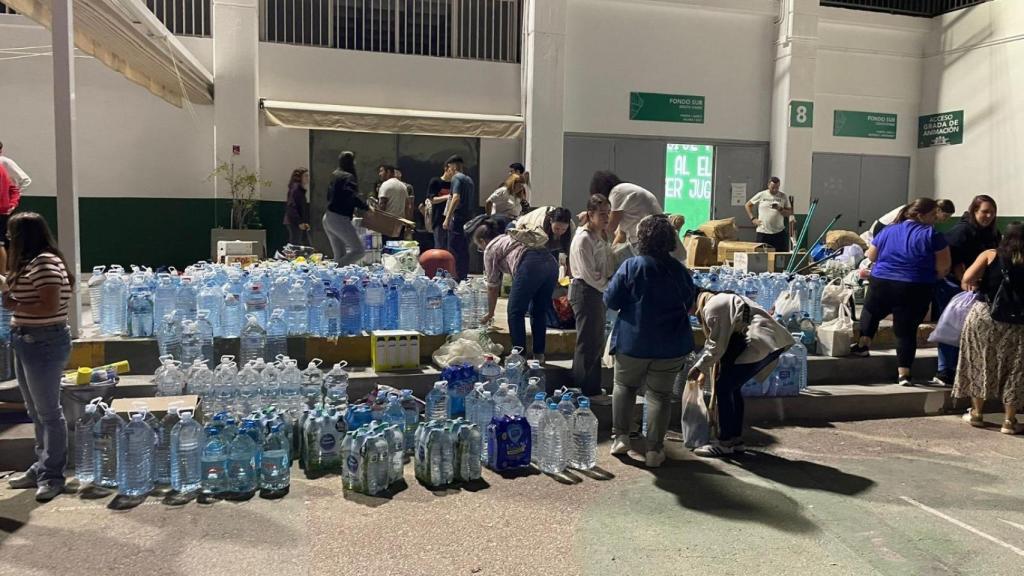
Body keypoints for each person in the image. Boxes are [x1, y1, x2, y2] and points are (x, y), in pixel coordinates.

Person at [605, 215, 696, 468]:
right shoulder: (680, 270)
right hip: (671, 344)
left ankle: (621, 437)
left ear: (642, 239)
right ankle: (655, 450)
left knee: (624, 387)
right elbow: (690, 303)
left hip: (633, 342)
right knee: (660, 396)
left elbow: (611, 301)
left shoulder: (632, 267)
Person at [3, 212, 74, 502]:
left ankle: (52, 475)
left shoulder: (45, 263)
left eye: (11, 234)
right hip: (26, 341)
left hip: (44, 342)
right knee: (34, 411)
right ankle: (40, 465)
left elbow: (49, 306)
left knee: (49, 412)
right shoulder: (31, 263)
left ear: (24, 237)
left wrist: (13, 306)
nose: (8, 239)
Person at [851, 198, 952, 386]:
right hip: (915, 286)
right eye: (932, 215)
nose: (935, 218)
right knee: (905, 330)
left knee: (871, 310)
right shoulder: (933, 235)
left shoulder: (888, 230)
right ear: (920, 215)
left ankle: (863, 344)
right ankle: (904, 374)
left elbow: (871, 255)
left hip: (882, 282)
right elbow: (944, 268)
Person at [688, 291, 794, 457]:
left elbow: (716, 345)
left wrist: (697, 368)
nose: (691, 315)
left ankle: (725, 443)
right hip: (769, 342)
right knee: (733, 388)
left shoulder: (712, 306)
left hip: (759, 343)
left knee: (724, 388)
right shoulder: (724, 298)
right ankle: (736, 440)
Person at [954, 222, 1024, 435]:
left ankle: (976, 413)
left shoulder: (990, 254)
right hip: (1019, 321)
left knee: (979, 361)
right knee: (1016, 369)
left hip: (985, 315)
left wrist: (983, 282)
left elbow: (967, 279)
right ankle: (1010, 421)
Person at [932, 195, 1000, 387]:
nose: (988, 216)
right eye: (984, 212)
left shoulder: (992, 233)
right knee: (951, 326)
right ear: (974, 211)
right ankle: (945, 370)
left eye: (992, 212)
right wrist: (963, 278)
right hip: (954, 285)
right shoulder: (962, 231)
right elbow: (951, 258)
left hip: (979, 288)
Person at [475, 218, 558, 363]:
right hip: (551, 263)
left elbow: (492, 286)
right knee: (539, 311)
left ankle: (519, 356)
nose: (481, 250)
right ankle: (539, 355)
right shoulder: (508, 237)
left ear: (482, 241)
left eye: (479, 247)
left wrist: (490, 313)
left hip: (530, 264)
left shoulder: (490, 249)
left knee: (515, 311)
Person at [569, 194, 612, 401]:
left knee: (595, 340)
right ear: (590, 214)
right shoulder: (584, 238)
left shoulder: (599, 235)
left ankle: (592, 387)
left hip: (597, 291)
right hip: (586, 290)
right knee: (587, 341)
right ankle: (585, 389)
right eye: (602, 214)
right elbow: (589, 274)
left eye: (608, 213)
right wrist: (609, 285)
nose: (606, 218)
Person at [323, 151, 371, 266]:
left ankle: (335, 278)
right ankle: (332, 270)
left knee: (340, 255)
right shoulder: (348, 177)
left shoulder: (335, 174)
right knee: (359, 251)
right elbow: (351, 196)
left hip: (328, 218)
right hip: (339, 219)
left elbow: (330, 196)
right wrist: (366, 207)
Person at [589, 171, 661, 247]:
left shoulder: (616, 192)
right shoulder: (624, 190)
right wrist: (611, 254)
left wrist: (591, 218)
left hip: (649, 239)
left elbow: (610, 227)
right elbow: (621, 234)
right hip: (654, 236)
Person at [861, 199, 955, 246]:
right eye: (946, 216)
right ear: (937, 210)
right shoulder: (922, 214)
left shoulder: (927, 219)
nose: (946, 220)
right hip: (881, 228)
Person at [516, 206, 574, 277]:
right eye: (557, 228)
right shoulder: (539, 226)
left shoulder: (571, 227)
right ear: (551, 221)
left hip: (549, 237)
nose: (560, 232)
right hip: (523, 229)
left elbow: (571, 252)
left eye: (564, 229)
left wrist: (569, 274)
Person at [443, 155, 476, 280]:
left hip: (458, 218)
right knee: (464, 249)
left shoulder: (457, 178)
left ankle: (454, 277)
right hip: (468, 219)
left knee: (454, 248)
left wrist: (447, 218)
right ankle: (463, 275)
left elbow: (456, 198)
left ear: (453, 166)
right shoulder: (469, 180)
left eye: (449, 168)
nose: (448, 171)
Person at [745, 177, 792, 252]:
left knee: (780, 256)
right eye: (773, 187)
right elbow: (748, 205)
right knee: (761, 255)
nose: (775, 190)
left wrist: (780, 208)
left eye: (777, 187)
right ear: (768, 185)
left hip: (778, 232)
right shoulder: (762, 194)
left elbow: (789, 213)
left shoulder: (783, 196)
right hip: (763, 232)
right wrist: (753, 218)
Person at [0, 163, 22, 275]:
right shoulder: (3, 170)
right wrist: (12, 204)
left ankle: (2, 276)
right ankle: (2, 276)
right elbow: (14, 190)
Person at [283, 168, 311, 246]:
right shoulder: (296, 189)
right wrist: (299, 222)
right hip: (294, 222)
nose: (308, 178)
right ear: (299, 177)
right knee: (296, 244)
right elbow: (292, 206)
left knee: (300, 243)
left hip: (297, 221)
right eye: (305, 176)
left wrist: (304, 221)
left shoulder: (299, 190)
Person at [425, 169, 452, 250]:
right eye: (452, 169)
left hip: (452, 219)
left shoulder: (454, 183)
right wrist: (447, 197)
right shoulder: (436, 181)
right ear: (446, 168)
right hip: (439, 219)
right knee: (439, 247)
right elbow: (432, 199)